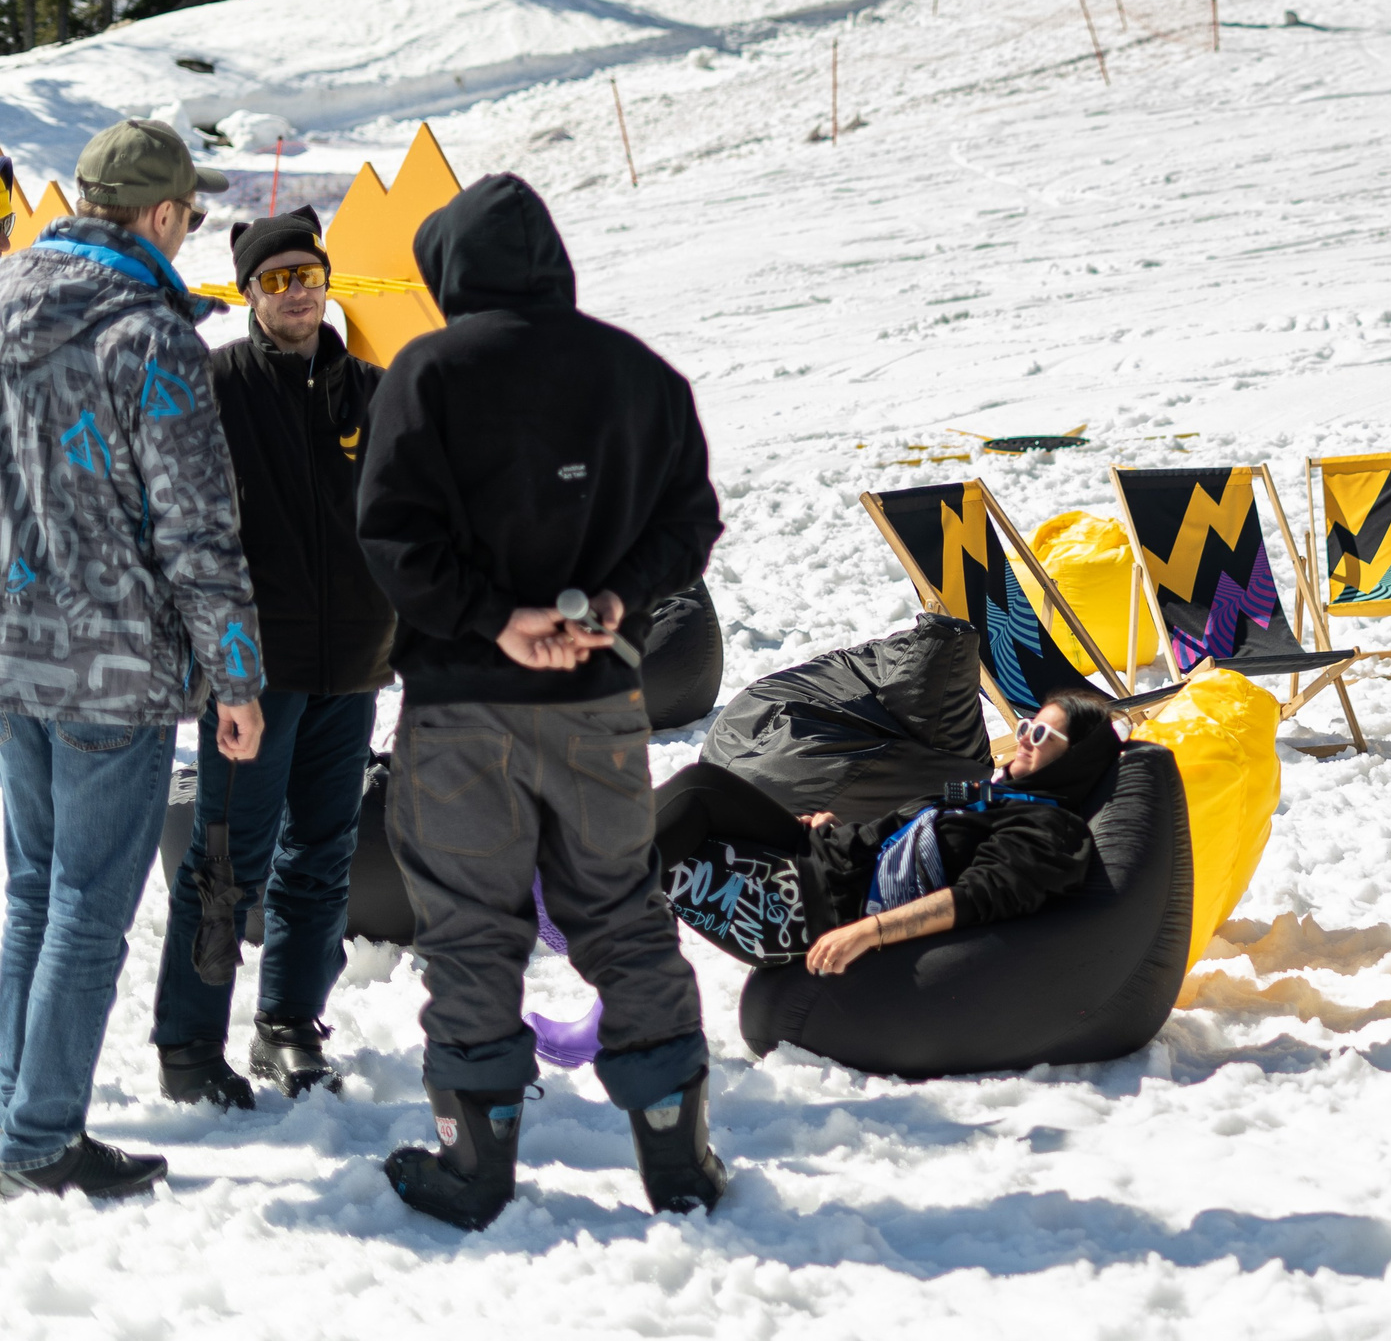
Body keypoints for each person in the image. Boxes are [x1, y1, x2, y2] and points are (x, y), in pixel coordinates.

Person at [356, 173, 724, 1231]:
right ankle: (678, 1157)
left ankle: (475, 1167)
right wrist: (615, 597)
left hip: (465, 705)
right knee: (620, 912)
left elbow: (391, 539)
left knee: (472, 929)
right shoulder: (638, 370)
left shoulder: (425, 371)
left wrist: (493, 617)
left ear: (449, 271)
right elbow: (691, 517)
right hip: (599, 700)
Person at [0, 119, 264, 1200]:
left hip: (13, 648)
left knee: (29, 890)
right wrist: (236, 673)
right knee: (87, 904)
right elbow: (197, 526)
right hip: (111, 662)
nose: (189, 234)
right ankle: (41, 1134)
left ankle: (15, 1107)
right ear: (159, 214)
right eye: (189, 216)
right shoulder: (148, 336)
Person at [152, 208, 395, 1109]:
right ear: (249, 293)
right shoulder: (215, 387)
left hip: (354, 667)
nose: (295, 292)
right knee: (227, 858)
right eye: (275, 279)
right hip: (250, 677)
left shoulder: (369, 390)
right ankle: (189, 1042)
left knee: (322, 858)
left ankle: (288, 1024)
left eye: (307, 274)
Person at [649, 690, 1118, 975]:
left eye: (1041, 736)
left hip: (812, 905)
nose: (1022, 738)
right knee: (702, 786)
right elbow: (906, 825)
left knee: (685, 828)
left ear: (1075, 759)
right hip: (821, 855)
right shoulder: (991, 796)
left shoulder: (1048, 828)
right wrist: (840, 829)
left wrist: (867, 931)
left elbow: (979, 896)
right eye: (1025, 726)